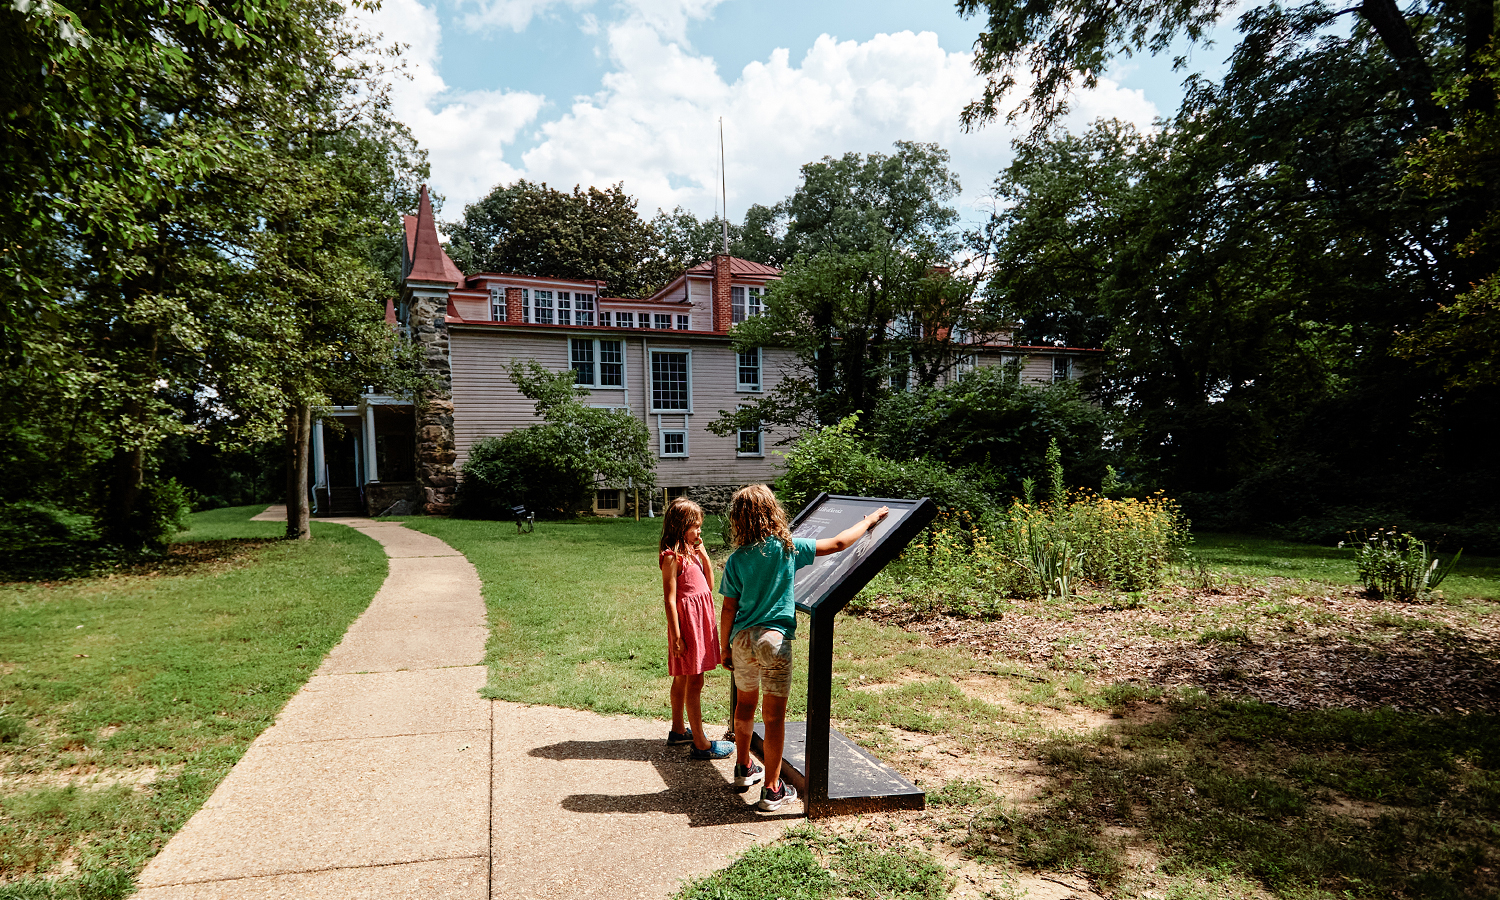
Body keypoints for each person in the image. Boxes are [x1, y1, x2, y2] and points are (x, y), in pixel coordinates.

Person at [719, 484, 888, 812]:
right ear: (772, 513)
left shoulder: (737, 559)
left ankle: (743, 768)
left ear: (739, 520)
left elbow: (728, 608)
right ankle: (771, 788)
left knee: (744, 707)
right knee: (774, 718)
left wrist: (725, 647)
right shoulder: (788, 548)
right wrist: (868, 522)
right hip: (773, 639)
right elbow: (838, 542)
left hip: (741, 640)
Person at [660, 497, 733, 760]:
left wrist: (702, 553)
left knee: (683, 676)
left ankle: (679, 730)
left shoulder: (691, 553)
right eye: (695, 527)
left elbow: (709, 584)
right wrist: (677, 636)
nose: (699, 531)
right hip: (687, 624)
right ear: (680, 526)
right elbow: (669, 598)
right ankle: (701, 743)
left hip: (699, 618)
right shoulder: (671, 557)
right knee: (694, 679)